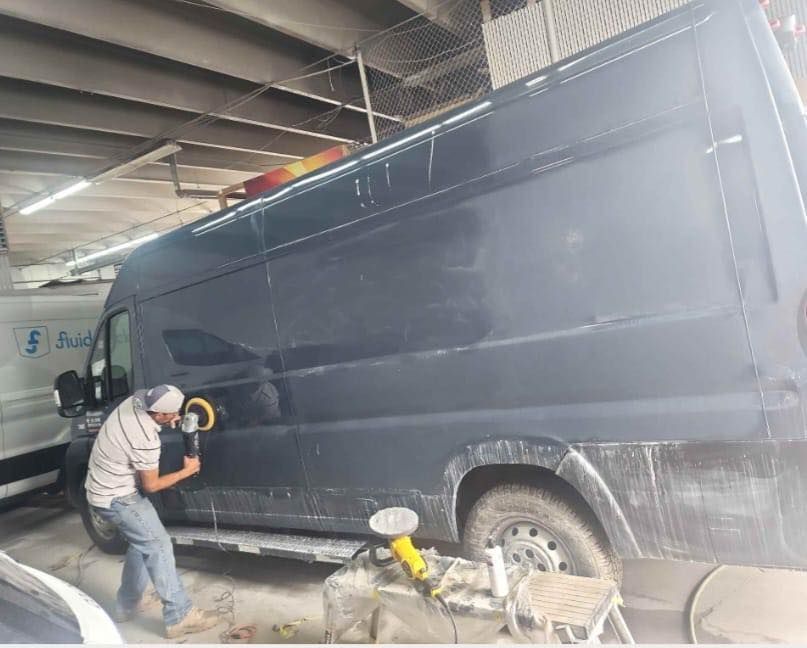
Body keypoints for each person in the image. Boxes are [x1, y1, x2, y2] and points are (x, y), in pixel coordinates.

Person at [85, 384, 221, 639]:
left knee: (142, 543)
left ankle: (127, 605)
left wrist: (168, 418)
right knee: (158, 545)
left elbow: (154, 417)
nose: (177, 416)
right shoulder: (145, 438)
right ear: (159, 414)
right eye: (173, 413)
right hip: (118, 498)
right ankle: (179, 616)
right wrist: (186, 471)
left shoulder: (134, 401)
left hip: (98, 490)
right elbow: (151, 485)